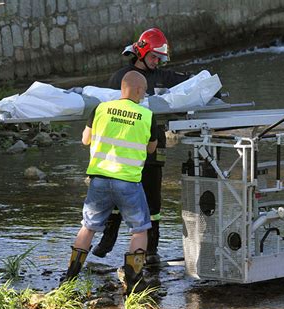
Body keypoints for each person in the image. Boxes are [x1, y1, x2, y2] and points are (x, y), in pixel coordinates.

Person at [92, 28, 191, 264]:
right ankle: (108, 239)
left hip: (154, 145)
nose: (157, 62)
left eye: (160, 58)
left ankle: (152, 249)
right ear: (142, 52)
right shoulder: (120, 78)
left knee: (152, 199)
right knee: (117, 194)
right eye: (154, 57)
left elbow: (191, 84)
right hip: (125, 146)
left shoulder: (164, 77)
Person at [63, 71, 158, 295]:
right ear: (136, 90)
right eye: (143, 90)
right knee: (140, 229)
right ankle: (134, 281)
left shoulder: (100, 109)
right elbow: (151, 148)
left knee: (88, 227)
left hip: (100, 180)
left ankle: (70, 277)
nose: (144, 95)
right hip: (128, 182)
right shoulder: (146, 115)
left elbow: (85, 139)